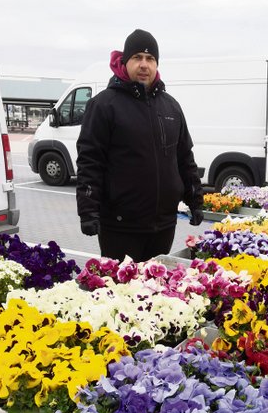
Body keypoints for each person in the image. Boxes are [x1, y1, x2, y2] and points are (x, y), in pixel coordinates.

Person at [76, 29, 203, 262]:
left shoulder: (171, 107)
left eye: (150, 59)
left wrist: (195, 199)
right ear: (124, 62)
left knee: (157, 292)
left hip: (163, 225)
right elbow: (90, 160)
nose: (144, 64)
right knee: (120, 293)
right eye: (137, 58)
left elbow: (184, 157)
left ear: (156, 64)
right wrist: (88, 210)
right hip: (120, 226)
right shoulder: (104, 105)